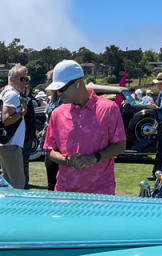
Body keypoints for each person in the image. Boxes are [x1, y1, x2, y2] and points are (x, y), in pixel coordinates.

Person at [42, 60, 126, 194]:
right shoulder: (57, 114)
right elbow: (49, 150)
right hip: (64, 192)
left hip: (101, 193)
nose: (58, 93)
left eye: (61, 89)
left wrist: (94, 158)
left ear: (78, 83)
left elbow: (120, 145)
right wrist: (68, 161)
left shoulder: (108, 109)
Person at [0, 64, 30, 189]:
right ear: (12, 79)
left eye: (26, 79)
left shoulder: (7, 93)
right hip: (10, 145)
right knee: (18, 183)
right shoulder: (12, 94)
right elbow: (6, 120)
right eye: (22, 79)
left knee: (8, 183)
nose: (25, 82)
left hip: (6, 144)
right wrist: (22, 113)